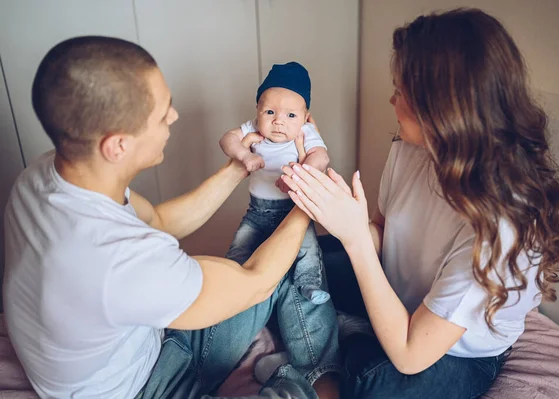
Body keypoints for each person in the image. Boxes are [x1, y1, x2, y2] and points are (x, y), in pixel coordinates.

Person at [2, 35, 335, 399]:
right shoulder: (116, 258)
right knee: (281, 268)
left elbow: (156, 219)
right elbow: (255, 282)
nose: (174, 116)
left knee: (285, 257)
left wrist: (238, 167)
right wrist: (307, 195)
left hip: (148, 341)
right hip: (145, 387)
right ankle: (303, 381)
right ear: (118, 146)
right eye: (163, 113)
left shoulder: (43, 177)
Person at [281, 8, 559, 399]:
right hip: (400, 294)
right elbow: (384, 231)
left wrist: (353, 240)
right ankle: (345, 332)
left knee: (376, 384)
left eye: (399, 91)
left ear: (441, 111)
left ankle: (340, 343)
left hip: (454, 350)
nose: (391, 99)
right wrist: (339, 219)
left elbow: (409, 355)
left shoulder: (499, 229)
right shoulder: (412, 149)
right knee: (289, 267)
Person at [219, 61, 341, 386]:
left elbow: (320, 157)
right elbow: (228, 139)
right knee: (241, 248)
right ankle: (232, 284)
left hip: (292, 209)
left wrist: (300, 175)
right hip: (258, 211)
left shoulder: (305, 133)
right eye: (270, 112)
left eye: (290, 115)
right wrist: (243, 157)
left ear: (305, 117)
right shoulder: (253, 132)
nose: (278, 122)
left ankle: (310, 286)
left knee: (308, 251)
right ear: (257, 111)